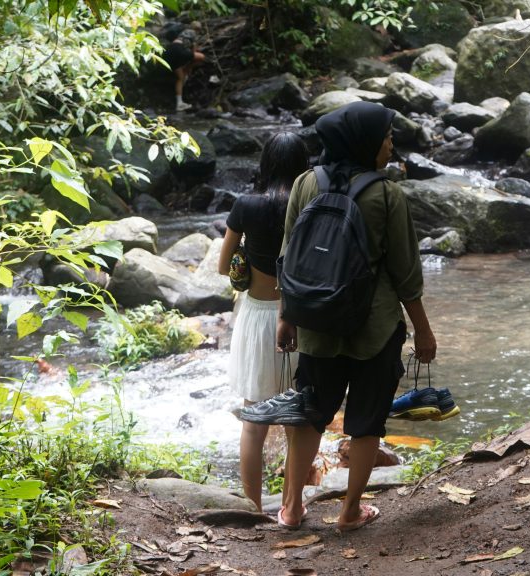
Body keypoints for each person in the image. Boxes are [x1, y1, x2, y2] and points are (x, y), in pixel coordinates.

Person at [274, 102, 438, 531]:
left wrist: (285, 317)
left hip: (315, 324)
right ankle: (349, 512)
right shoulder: (387, 194)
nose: (390, 144)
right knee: (366, 422)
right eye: (386, 137)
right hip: (375, 327)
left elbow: (287, 256)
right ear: (365, 141)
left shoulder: (306, 183)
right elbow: (406, 273)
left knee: (311, 414)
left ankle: (291, 510)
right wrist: (422, 329)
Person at [218, 132, 310, 511]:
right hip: (303, 318)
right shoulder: (311, 204)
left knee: (254, 420)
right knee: (299, 420)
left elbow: (223, 265)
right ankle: (292, 506)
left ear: (266, 163)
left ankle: (253, 508)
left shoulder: (247, 205)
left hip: (257, 317)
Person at [161, 22, 205, 112]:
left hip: (170, 50)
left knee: (180, 78)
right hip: (179, 50)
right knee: (201, 57)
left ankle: (179, 103)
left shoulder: (182, 32)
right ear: (197, 29)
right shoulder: (192, 33)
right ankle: (187, 71)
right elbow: (193, 50)